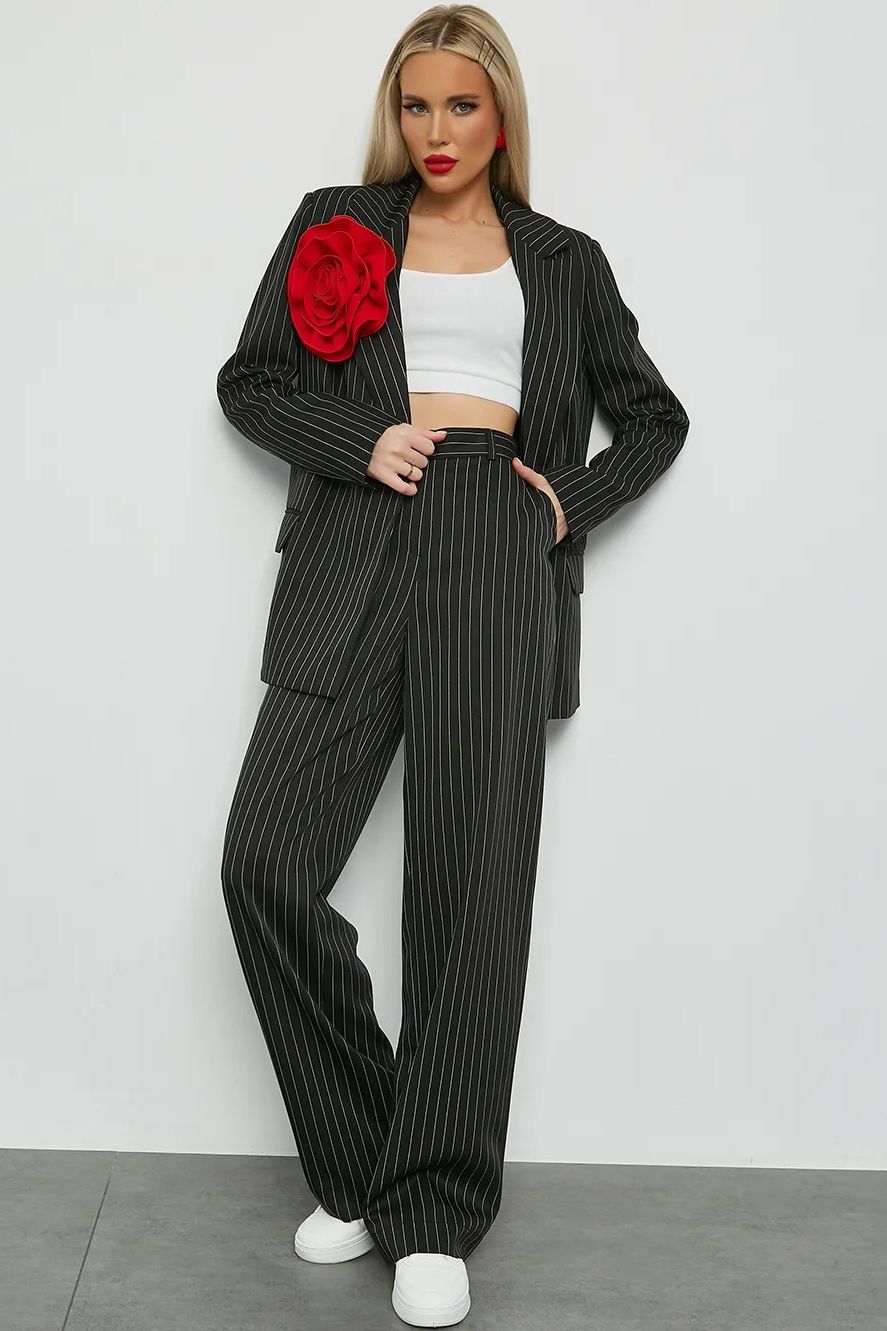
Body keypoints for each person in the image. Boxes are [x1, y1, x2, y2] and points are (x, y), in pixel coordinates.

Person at [216, 7, 690, 1326]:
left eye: (461, 107)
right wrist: (357, 440)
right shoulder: (338, 225)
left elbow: (655, 418)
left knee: (470, 886)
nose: (436, 131)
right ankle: (373, 1164)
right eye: (415, 106)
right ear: (396, 114)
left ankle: (431, 1210)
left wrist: (565, 504)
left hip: (495, 536)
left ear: (501, 116)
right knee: (263, 863)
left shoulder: (565, 260)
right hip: (361, 528)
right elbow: (250, 382)